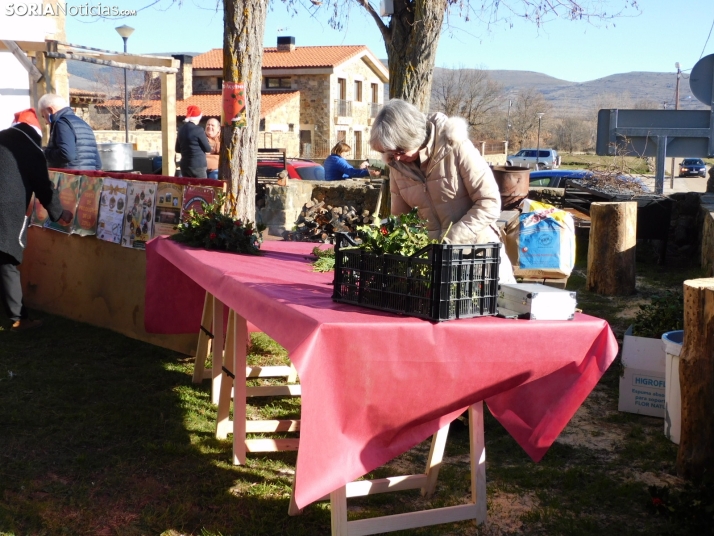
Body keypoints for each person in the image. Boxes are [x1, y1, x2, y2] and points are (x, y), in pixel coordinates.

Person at [369, 98, 515, 283]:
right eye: (390, 152)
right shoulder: (396, 165)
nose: (396, 157)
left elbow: (489, 203)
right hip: (434, 265)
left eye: (400, 149)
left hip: (479, 257)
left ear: (415, 136)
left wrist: (449, 241)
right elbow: (402, 219)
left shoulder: (456, 146)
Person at [0, 109, 73, 331]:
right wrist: (59, 214)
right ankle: (17, 318)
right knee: (6, 260)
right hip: (7, 211)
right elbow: (42, 185)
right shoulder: (30, 147)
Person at [38, 93, 102, 170]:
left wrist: (45, 153)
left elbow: (67, 155)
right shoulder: (84, 124)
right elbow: (97, 163)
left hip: (70, 179)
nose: (45, 122)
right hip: (89, 178)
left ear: (50, 110)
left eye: (43, 116)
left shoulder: (62, 123)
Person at [176, 105, 212, 178]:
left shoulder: (181, 130)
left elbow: (177, 149)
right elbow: (208, 149)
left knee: (188, 188)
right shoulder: (198, 130)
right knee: (201, 188)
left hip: (184, 165)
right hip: (198, 165)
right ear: (198, 118)